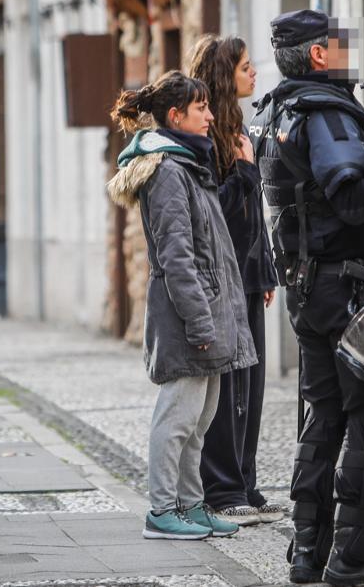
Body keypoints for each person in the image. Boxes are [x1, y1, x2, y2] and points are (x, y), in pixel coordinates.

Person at [249, 9, 364, 586]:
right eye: (338, 43)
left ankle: (308, 552)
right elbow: (352, 200)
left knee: (324, 416)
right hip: (352, 288)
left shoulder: (280, 109)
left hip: (314, 290)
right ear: (319, 55)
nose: (347, 50)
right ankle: (352, 558)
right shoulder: (325, 112)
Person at [107, 71, 258, 541]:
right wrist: (199, 321)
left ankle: (192, 504)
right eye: (202, 109)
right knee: (176, 417)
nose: (211, 116)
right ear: (176, 116)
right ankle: (161, 511)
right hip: (188, 317)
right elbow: (177, 257)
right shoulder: (169, 172)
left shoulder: (188, 164)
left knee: (199, 421)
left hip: (208, 312)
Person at [185, 35, 283, 527]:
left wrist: (264, 268)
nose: (254, 74)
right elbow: (214, 217)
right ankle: (222, 489)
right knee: (226, 389)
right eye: (246, 67)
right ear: (227, 76)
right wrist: (243, 170)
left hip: (245, 276)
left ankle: (243, 480)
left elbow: (252, 214)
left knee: (252, 383)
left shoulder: (236, 128)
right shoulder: (205, 142)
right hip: (220, 282)